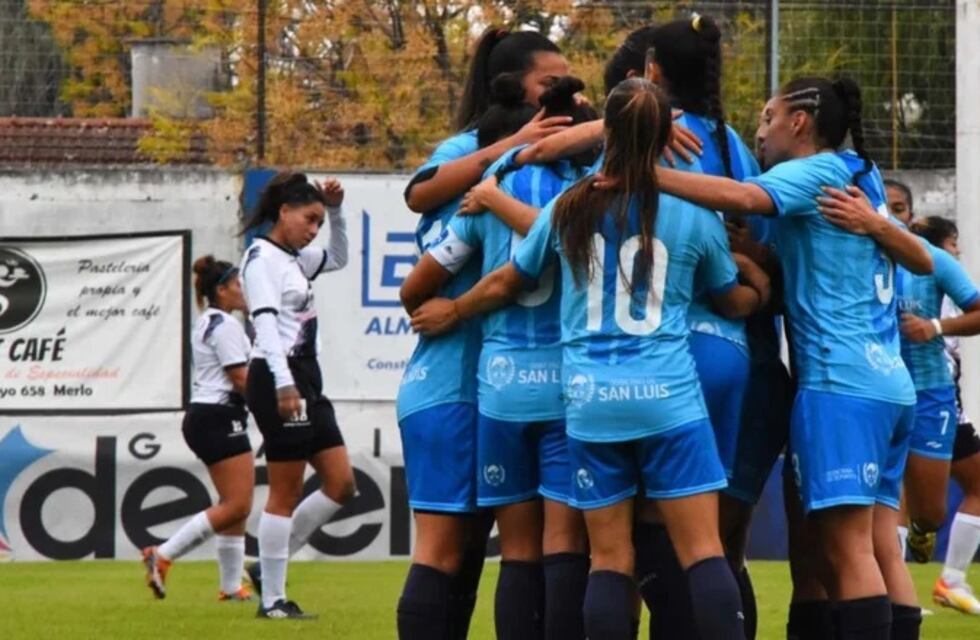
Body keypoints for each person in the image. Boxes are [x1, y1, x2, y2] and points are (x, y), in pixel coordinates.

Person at [412, 78, 769, 640]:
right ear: (665, 137)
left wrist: (455, 310)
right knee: (703, 550)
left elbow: (510, 279)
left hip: (591, 402)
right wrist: (761, 287)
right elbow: (729, 298)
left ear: (606, 131)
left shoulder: (569, 206)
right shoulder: (693, 211)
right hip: (669, 399)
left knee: (608, 558)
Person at [652, 76, 933, 638]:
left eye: (768, 117)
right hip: (889, 385)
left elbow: (742, 197)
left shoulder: (813, 171)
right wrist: (755, 250)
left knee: (845, 554)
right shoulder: (863, 173)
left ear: (799, 122)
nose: (760, 132)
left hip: (839, 386)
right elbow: (915, 261)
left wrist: (640, 169)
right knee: (879, 549)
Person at [402, 75, 597, 640]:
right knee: (565, 543)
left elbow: (415, 288)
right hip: (567, 387)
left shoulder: (484, 195)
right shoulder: (587, 193)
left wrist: (446, 307)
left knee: (516, 549)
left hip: (501, 387)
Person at [240, 172, 355, 619]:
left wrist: (337, 212)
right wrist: (283, 381)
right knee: (285, 492)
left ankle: (267, 569)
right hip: (278, 376)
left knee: (341, 483)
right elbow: (265, 324)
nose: (314, 230)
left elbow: (340, 257)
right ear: (283, 211)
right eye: (309, 219)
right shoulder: (261, 259)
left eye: (319, 223)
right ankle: (272, 601)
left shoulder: (295, 260)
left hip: (307, 377)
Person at [142, 256, 254, 602]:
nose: (243, 289)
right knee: (237, 505)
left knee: (234, 504)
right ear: (221, 290)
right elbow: (240, 379)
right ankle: (162, 555)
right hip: (219, 415)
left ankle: (230, 587)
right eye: (237, 284)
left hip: (206, 415)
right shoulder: (225, 325)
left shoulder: (208, 320)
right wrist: (273, 405)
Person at [889, 215, 980, 564]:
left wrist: (934, 327)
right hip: (878, 389)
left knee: (929, 512)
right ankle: (889, 588)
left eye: (899, 208)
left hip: (930, 392)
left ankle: (922, 528)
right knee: (886, 490)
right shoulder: (863, 253)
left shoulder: (934, 260)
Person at [935, 286, 980, 615]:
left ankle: (892, 592)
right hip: (936, 400)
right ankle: (951, 579)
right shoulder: (932, 272)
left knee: (898, 497)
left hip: (926, 397)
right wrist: (936, 328)